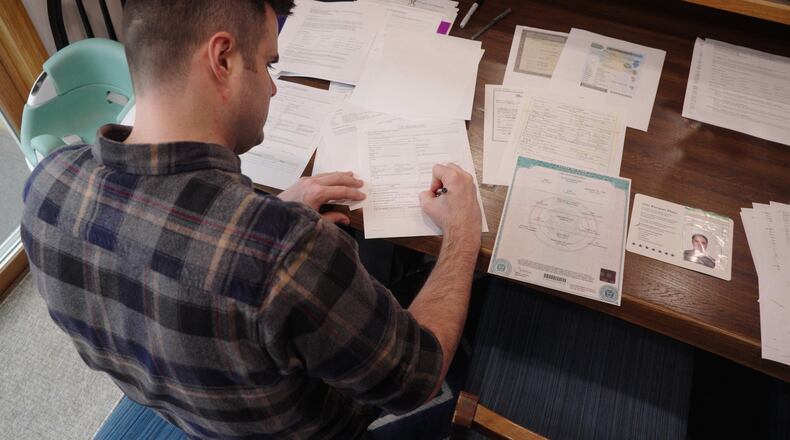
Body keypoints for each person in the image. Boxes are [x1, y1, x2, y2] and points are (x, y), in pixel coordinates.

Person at [20, 0, 482, 438]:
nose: (273, 86)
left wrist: (275, 208)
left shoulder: (47, 187)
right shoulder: (287, 253)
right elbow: (416, 377)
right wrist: (461, 230)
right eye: (267, 65)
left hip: (187, 407)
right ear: (222, 59)